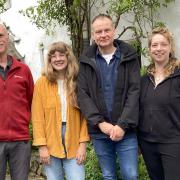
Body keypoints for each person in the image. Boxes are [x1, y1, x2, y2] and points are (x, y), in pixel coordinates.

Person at [77, 14, 140, 180]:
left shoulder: (130, 56)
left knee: (131, 175)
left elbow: (135, 92)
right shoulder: (85, 61)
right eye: (98, 31)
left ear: (114, 31)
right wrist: (100, 123)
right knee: (108, 175)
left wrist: (122, 125)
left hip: (126, 131)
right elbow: (83, 95)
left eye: (107, 30)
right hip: (100, 132)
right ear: (93, 35)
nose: (103, 34)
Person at [31, 41, 90, 180]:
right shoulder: (41, 83)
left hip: (74, 139)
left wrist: (82, 145)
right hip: (50, 140)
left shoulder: (78, 81)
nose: (58, 59)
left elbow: (86, 115)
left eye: (61, 55)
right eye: (54, 56)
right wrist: (42, 146)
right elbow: (37, 116)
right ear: (49, 60)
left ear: (68, 57)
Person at [138, 27, 180, 180]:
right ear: (149, 49)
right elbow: (139, 111)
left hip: (173, 142)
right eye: (154, 45)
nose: (159, 49)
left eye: (163, 44)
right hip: (148, 143)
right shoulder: (143, 80)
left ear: (170, 47)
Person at [0, 23, 34, 180]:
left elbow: (31, 101)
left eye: (1, 36)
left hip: (20, 141)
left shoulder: (24, 70)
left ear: (7, 38)